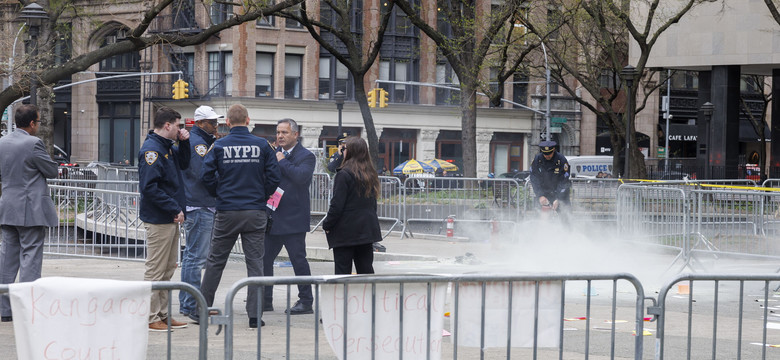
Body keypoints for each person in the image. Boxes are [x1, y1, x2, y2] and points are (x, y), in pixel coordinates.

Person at [200, 104, 280, 328]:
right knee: (255, 263)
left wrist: (219, 193)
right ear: (248, 120)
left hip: (227, 210)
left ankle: (203, 309)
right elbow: (274, 176)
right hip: (255, 211)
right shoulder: (262, 145)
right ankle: (255, 316)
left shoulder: (219, 145)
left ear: (227, 122)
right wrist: (261, 195)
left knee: (215, 261)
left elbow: (205, 176)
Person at [0, 104, 58, 322]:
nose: (38, 126)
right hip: (31, 209)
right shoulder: (34, 143)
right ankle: (27, 308)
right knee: (30, 259)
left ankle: (5, 310)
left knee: (7, 260)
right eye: (39, 122)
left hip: (8, 207)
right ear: (32, 123)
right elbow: (51, 171)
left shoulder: (2, 142)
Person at [138, 106, 190, 331]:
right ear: (167, 125)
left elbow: (185, 164)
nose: (180, 130)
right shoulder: (153, 151)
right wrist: (173, 207)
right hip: (160, 218)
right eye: (178, 126)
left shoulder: (167, 147)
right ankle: (151, 317)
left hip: (168, 216)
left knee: (167, 268)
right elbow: (150, 188)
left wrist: (185, 142)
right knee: (156, 269)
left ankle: (163, 314)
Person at [263, 118, 316, 315]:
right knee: (264, 259)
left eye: (284, 132)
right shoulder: (273, 154)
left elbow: (301, 177)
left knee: (298, 260)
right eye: (278, 133)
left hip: (293, 219)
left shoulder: (306, 156)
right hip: (273, 216)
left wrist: (282, 161)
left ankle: (306, 301)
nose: (280, 136)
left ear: (295, 134)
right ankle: (265, 299)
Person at [178, 105, 221, 319]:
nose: (216, 125)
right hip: (200, 204)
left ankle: (188, 302)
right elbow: (204, 174)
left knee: (192, 256)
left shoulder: (202, 141)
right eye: (213, 122)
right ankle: (190, 304)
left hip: (199, 203)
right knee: (195, 257)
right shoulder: (198, 144)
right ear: (201, 123)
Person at [322, 137, 382, 274]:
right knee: (365, 271)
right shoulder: (370, 173)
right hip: (366, 230)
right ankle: (368, 296)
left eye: (344, 149)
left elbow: (337, 205)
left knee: (342, 274)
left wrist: (327, 224)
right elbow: (373, 204)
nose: (342, 152)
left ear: (351, 152)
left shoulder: (344, 175)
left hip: (346, 232)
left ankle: (344, 296)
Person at [529, 140, 571, 214]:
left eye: (549, 153)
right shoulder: (537, 159)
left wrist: (558, 198)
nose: (547, 156)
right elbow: (534, 178)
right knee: (540, 217)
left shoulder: (561, 160)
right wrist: (540, 195)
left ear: (553, 150)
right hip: (544, 194)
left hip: (560, 193)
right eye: (545, 154)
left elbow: (564, 180)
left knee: (565, 217)